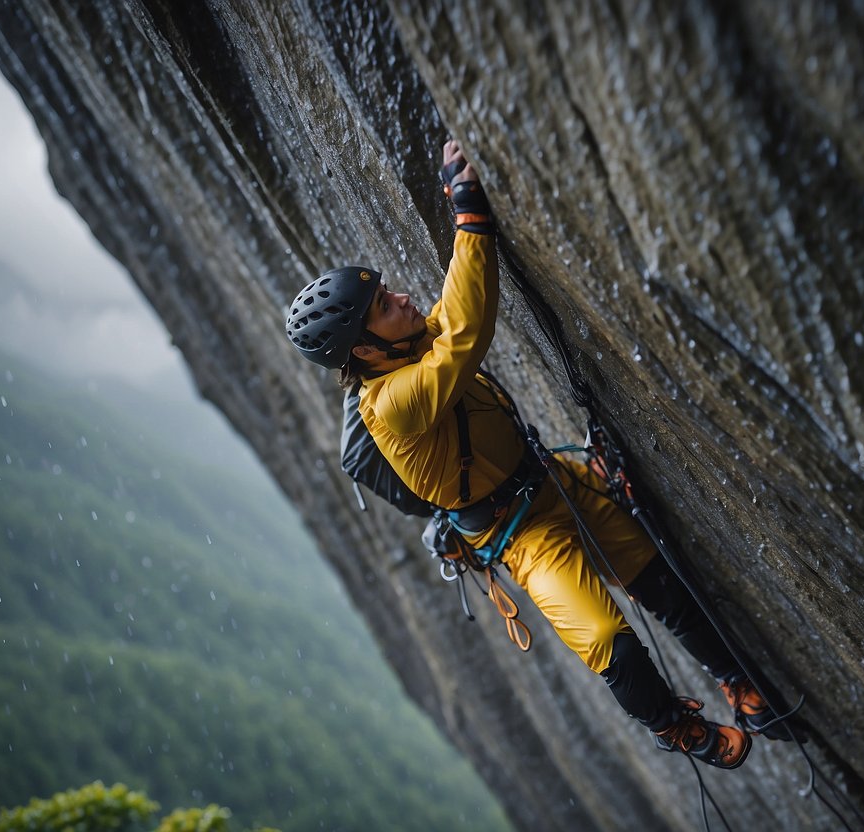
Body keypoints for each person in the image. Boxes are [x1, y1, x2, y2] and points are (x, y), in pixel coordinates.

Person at [285, 138, 786, 768]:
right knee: (609, 641)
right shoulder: (388, 404)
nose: (403, 299)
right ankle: (673, 729)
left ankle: (737, 684)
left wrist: (462, 228)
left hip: (550, 480)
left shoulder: (411, 346)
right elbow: (465, 333)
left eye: (388, 293)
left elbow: (451, 305)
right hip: (519, 535)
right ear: (363, 350)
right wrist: (468, 216)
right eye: (384, 306)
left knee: (656, 577)